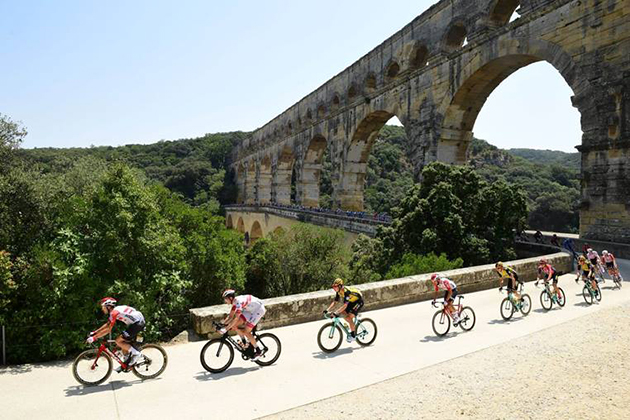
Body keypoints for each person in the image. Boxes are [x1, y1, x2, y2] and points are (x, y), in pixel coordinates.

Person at [87, 297, 145, 372]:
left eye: (103, 307)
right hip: (134, 323)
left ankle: (137, 354)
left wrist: (94, 338)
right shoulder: (114, 311)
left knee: (118, 341)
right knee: (122, 344)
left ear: (108, 306)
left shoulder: (114, 312)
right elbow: (107, 324)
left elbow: (108, 329)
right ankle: (126, 364)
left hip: (138, 323)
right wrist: (95, 332)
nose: (102, 309)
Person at [221, 289, 266, 361]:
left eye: (225, 299)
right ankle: (244, 343)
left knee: (246, 331)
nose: (225, 301)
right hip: (249, 310)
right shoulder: (234, 302)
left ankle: (258, 351)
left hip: (258, 310)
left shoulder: (239, 303)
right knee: (235, 325)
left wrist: (226, 328)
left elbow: (236, 318)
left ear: (231, 298)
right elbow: (230, 317)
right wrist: (222, 325)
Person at [324, 278, 364, 342]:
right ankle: (351, 325)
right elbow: (335, 302)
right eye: (333, 286)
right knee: (343, 313)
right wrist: (327, 309)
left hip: (358, 301)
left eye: (335, 286)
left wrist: (336, 312)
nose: (334, 288)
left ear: (340, 286)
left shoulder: (346, 292)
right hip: (351, 301)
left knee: (349, 317)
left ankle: (353, 336)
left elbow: (345, 305)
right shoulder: (338, 291)